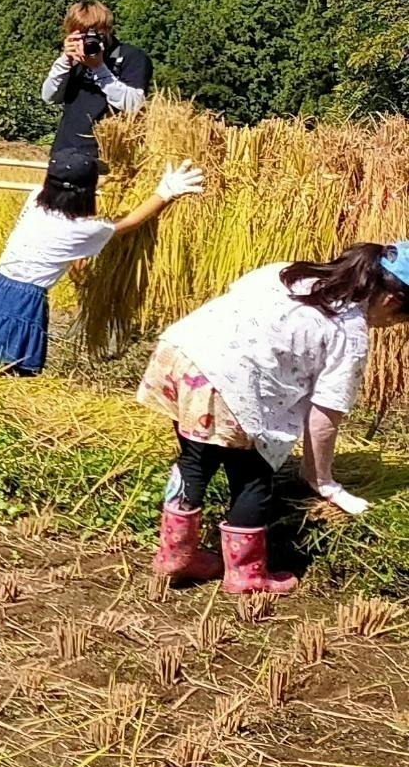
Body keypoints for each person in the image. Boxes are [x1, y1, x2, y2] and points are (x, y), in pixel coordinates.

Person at [139, 241, 409, 596]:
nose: (389, 327)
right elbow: (324, 414)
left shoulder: (291, 273)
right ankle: (246, 577)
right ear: (391, 301)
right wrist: (322, 479)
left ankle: (175, 554)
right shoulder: (349, 332)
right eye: (399, 319)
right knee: (252, 477)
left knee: (195, 460)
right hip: (227, 385)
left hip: (181, 356)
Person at [0, 154, 207, 375]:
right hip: (22, 299)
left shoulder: (36, 198)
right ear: (86, 193)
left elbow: (67, 199)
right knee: (15, 369)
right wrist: (166, 191)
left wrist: (99, 181)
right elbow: (131, 223)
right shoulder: (83, 229)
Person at [40, 0, 149, 170]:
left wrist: (99, 69)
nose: (88, 41)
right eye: (81, 35)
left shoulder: (131, 57)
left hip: (108, 156)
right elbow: (49, 97)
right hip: (65, 153)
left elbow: (134, 104)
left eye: (94, 35)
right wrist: (64, 61)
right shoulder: (72, 58)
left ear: (108, 30)